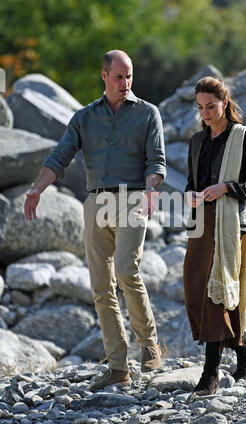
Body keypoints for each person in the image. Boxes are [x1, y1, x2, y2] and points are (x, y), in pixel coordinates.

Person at [24, 49, 166, 389]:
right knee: (102, 287)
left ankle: (150, 346)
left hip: (134, 196)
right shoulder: (84, 118)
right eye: (118, 76)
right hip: (96, 202)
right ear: (104, 76)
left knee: (126, 270)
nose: (125, 82)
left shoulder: (148, 113)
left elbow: (156, 161)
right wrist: (36, 189)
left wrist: (151, 189)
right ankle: (118, 366)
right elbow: (60, 156)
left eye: (129, 76)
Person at [183, 76, 246, 399]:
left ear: (225, 103)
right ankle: (244, 349)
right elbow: (192, 182)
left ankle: (210, 375)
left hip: (230, 224)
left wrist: (226, 188)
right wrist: (189, 194)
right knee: (194, 287)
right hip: (201, 222)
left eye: (211, 106)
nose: (206, 113)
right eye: (201, 107)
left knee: (215, 293)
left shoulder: (244, 137)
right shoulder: (196, 141)